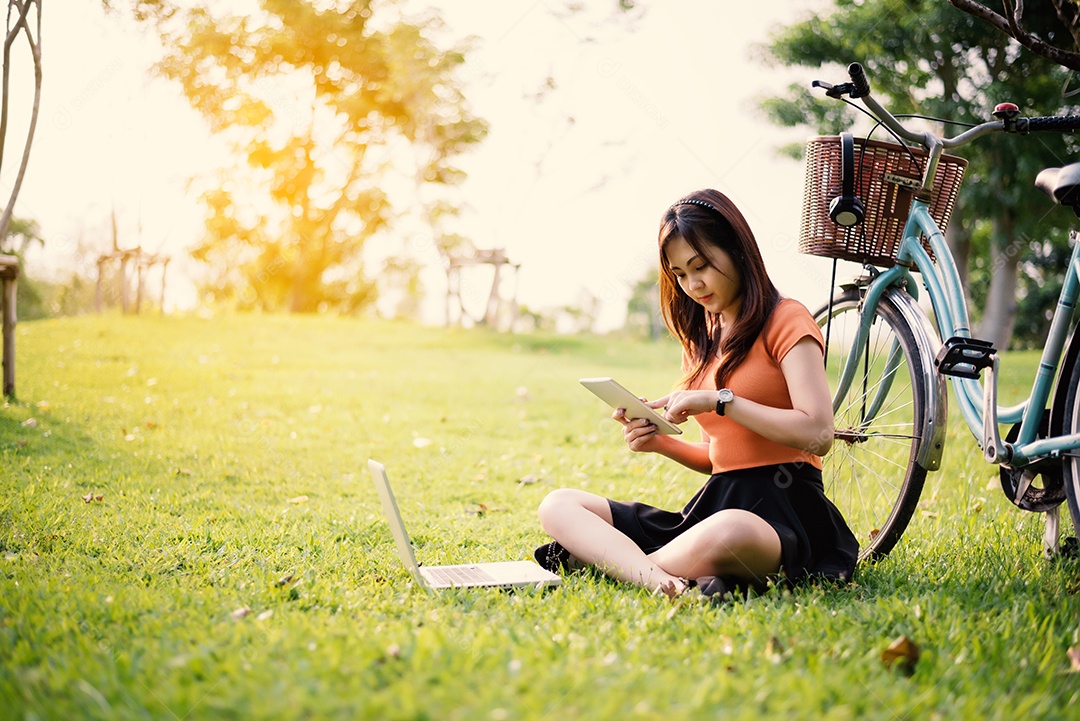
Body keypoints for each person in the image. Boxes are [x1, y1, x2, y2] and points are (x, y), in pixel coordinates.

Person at [535, 188, 858, 600]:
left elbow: (818, 433)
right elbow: (718, 458)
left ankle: (613, 559)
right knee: (558, 504)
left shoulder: (787, 319)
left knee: (731, 531)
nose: (693, 284)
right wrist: (660, 443)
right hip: (712, 506)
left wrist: (722, 401)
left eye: (700, 265)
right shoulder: (702, 341)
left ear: (737, 249)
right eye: (680, 274)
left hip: (782, 512)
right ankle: (661, 578)